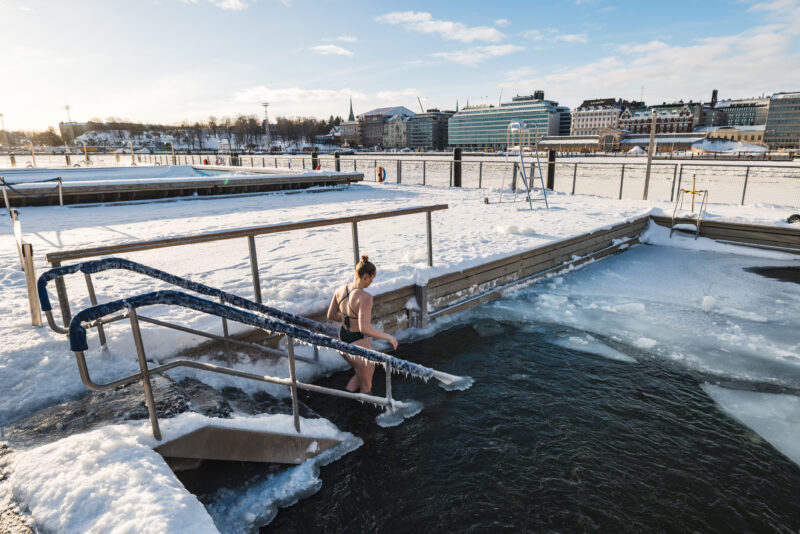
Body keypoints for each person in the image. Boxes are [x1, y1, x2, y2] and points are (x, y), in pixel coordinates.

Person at [327, 255, 398, 394]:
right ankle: (367, 413)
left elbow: (330, 315)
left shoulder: (340, 290)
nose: (371, 282)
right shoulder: (365, 297)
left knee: (360, 373)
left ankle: (346, 399)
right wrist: (388, 337)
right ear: (365, 276)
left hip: (343, 339)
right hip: (357, 340)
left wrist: (345, 317)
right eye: (371, 278)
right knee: (366, 387)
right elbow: (364, 328)